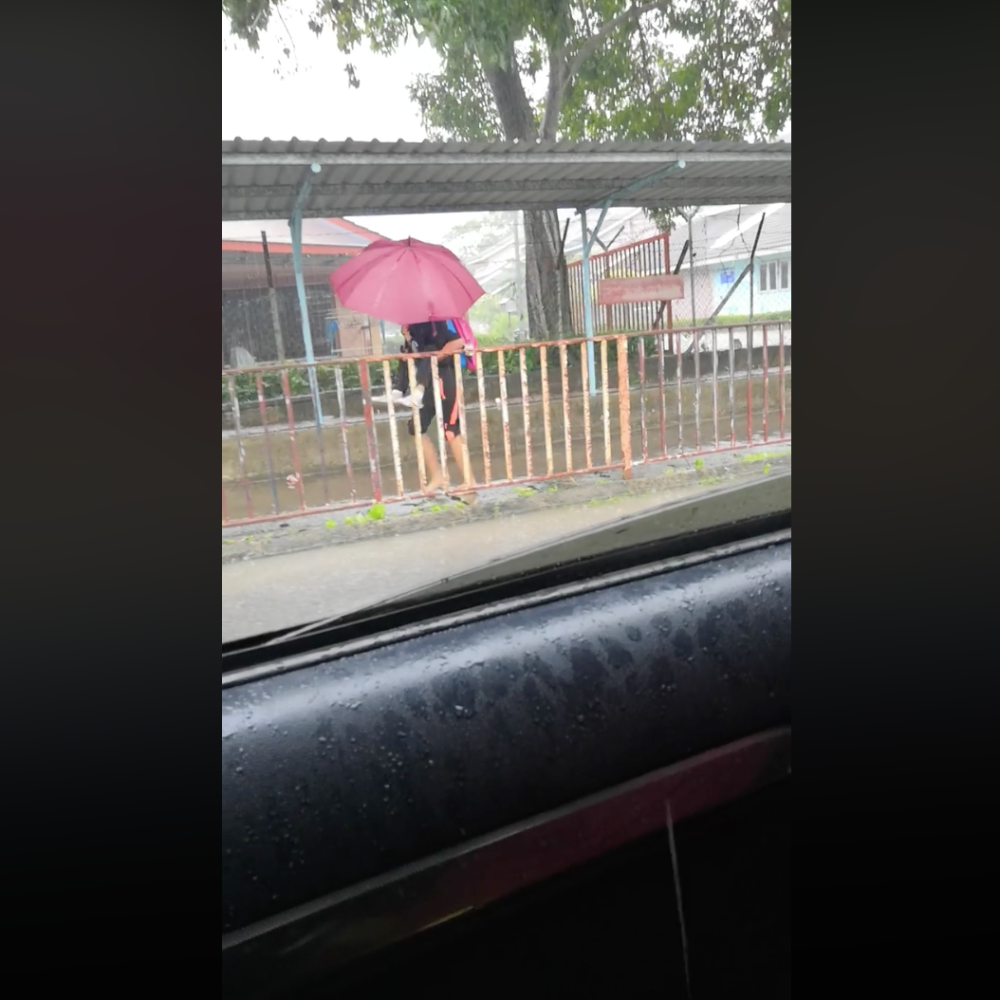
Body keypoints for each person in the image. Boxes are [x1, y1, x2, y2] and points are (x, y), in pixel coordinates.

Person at [401, 319, 476, 501]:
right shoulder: (412, 325)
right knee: (416, 427)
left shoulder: (437, 319)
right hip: (427, 382)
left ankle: (470, 483)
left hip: (446, 378)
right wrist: (408, 339)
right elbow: (418, 354)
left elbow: (458, 342)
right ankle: (438, 476)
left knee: (451, 431)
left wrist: (438, 356)